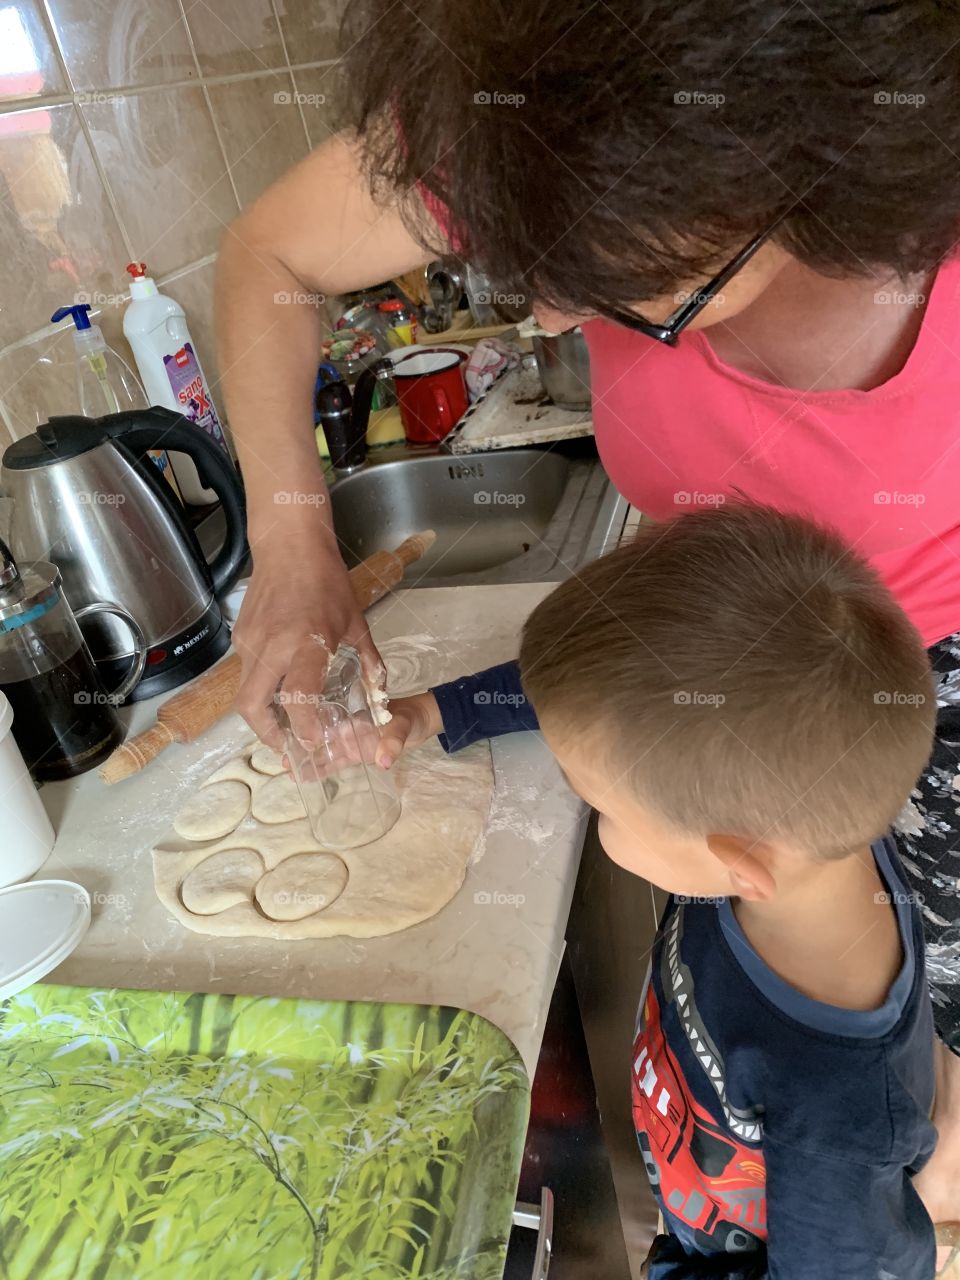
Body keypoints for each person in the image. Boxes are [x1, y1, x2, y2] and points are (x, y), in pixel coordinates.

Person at [215, 0, 960, 1225]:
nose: (554, 319)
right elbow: (272, 257)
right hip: (721, 670)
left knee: (911, 1112)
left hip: (923, 694)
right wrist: (296, 546)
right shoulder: (545, 109)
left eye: (622, 285)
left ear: (801, 172)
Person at [378, 505, 941, 1277]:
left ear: (737, 862)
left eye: (602, 807)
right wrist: (442, 709)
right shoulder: (804, 819)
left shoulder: (837, 1115)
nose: (591, 812)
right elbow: (610, 703)